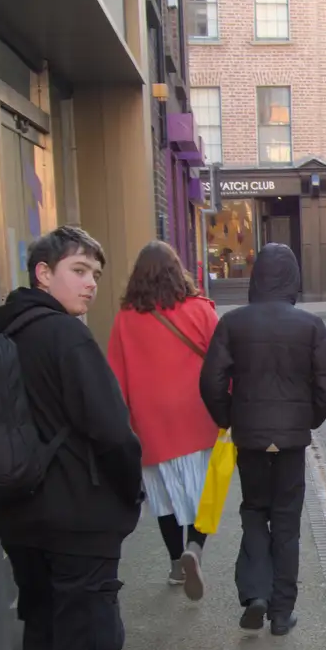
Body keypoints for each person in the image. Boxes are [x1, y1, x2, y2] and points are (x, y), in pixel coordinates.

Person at [0, 225, 142, 650]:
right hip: (79, 523)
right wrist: (129, 494)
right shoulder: (65, 339)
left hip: (20, 519)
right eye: (79, 270)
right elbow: (114, 431)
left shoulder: (0, 336)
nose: (90, 285)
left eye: (96, 275)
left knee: (45, 634)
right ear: (42, 273)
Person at [200, 243, 326, 636]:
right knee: (287, 522)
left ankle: (255, 592)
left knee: (254, 511)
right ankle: (281, 611)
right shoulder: (310, 326)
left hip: (251, 437)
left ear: (256, 277)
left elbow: (210, 380)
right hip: (291, 441)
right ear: (293, 278)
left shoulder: (233, 323)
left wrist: (229, 417)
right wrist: (306, 418)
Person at [107, 241, 220, 600]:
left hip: (150, 425)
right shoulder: (201, 311)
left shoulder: (125, 320)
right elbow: (222, 363)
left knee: (163, 497)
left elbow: (114, 379)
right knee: (210, 488)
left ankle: (175, 562)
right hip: (198, 416)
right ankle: (195, 549)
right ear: (177, 271)